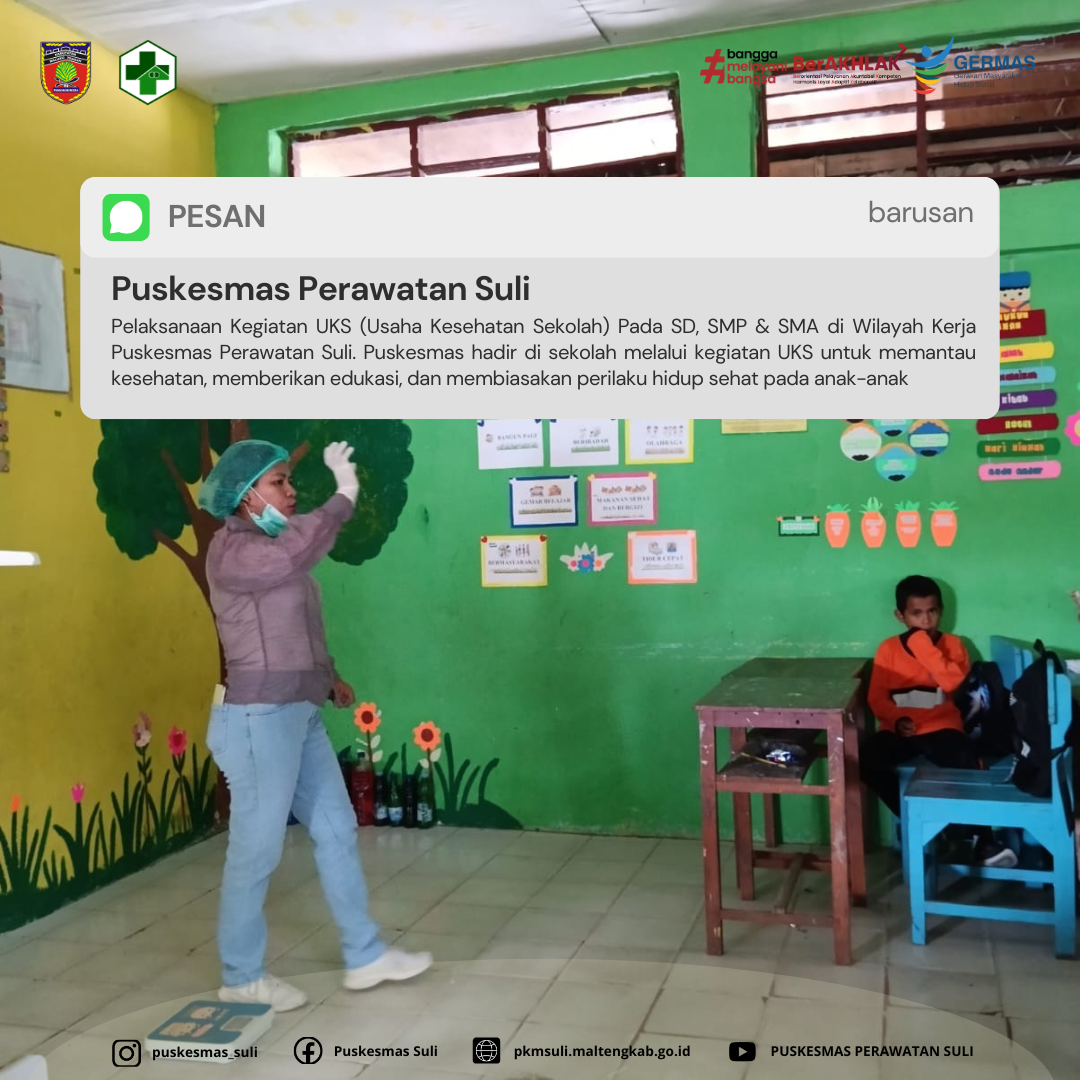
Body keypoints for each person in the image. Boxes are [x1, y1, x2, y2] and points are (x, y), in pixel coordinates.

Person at [197, 438, 432, 1011]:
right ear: (245, 495)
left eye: (288, 479)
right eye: (278, 482)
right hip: (257, 719)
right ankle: (241, 976)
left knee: (335, 828)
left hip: (298, 712)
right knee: (256, 850)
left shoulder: (278, 547)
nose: (291, 490)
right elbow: (297, 551)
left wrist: (329, 677)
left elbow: (296, 626)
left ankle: (365, 955)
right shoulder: (234, 551)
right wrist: (344, 494)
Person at [859, 575, 1017, 868]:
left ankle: (982, 839)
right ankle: (925, 825)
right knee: (865, 759)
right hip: (901, 729)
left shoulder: (953, 645)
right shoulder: (888, 649)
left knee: (966, 760)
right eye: (916, 613)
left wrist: (920, 643)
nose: (925, 620)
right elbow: (877, 697)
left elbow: (951, 681)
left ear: (940, 611)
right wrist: (896, 719)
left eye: (932, 611)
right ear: (900, 616)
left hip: (941, 727)